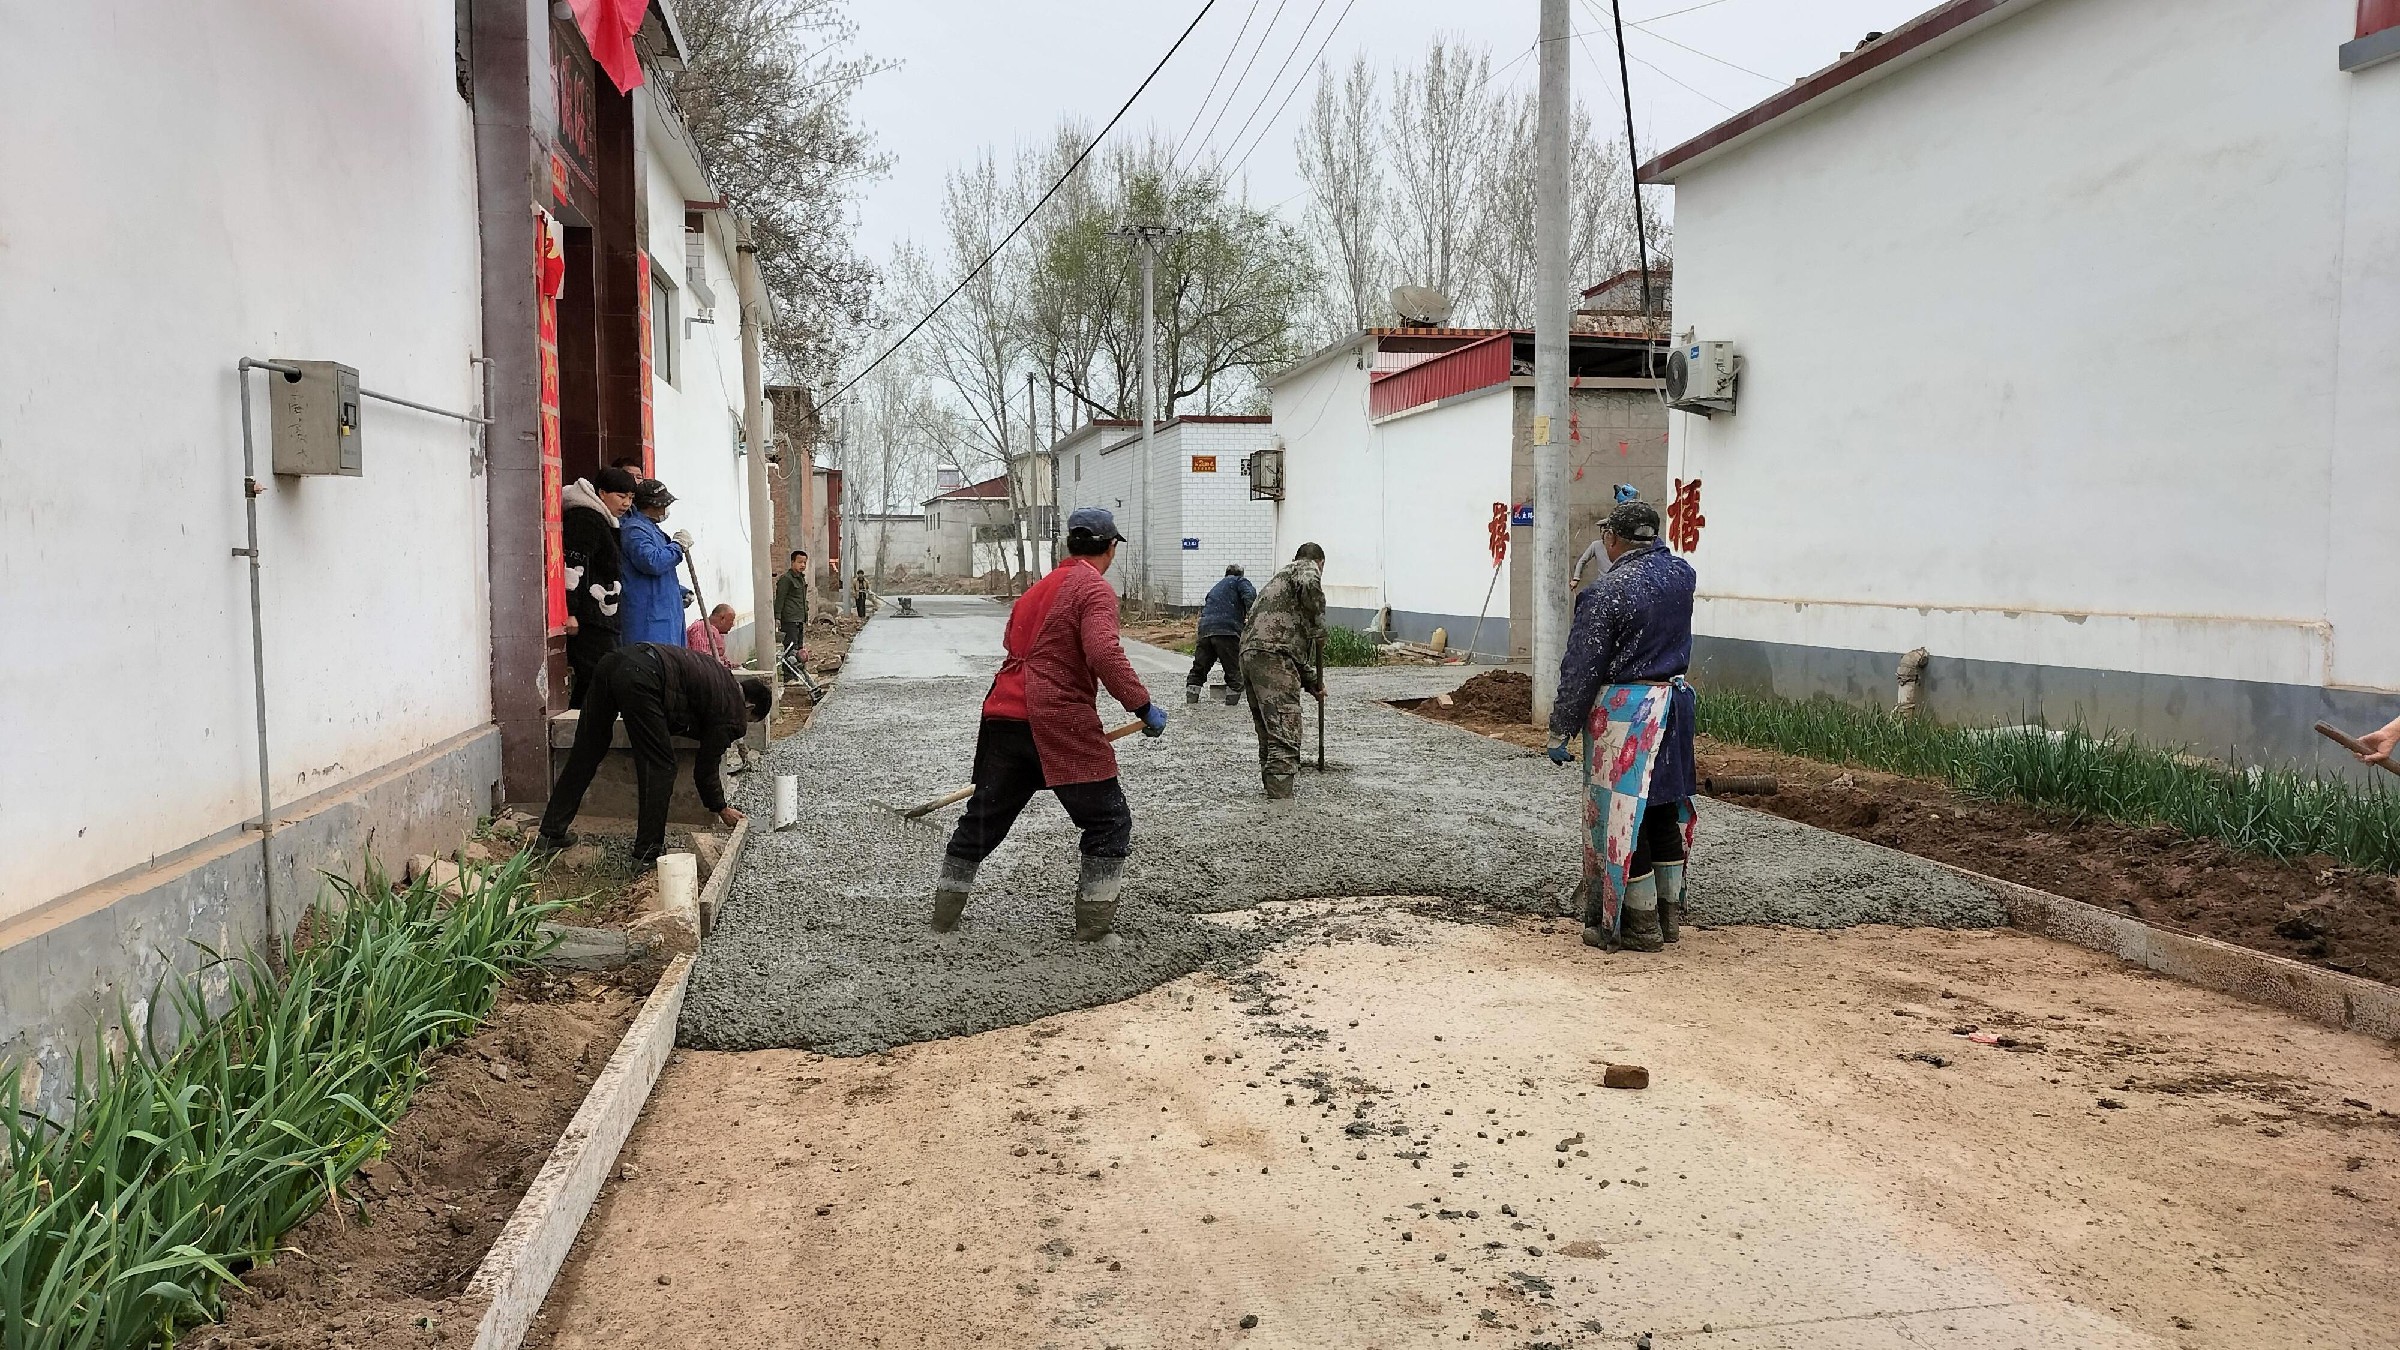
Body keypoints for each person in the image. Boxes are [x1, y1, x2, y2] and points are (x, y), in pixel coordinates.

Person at [929, 506, 1166, 945]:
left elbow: (1014, 646)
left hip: (1003, 715)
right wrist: (1142, 705)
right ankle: (1094, 930)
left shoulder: (1036, 591)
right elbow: (1103, 653)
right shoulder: (1093, 589)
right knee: (1108, 820)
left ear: (1068, 545)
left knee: (983, 820)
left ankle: (943, 921)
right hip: (1056, 721)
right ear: (1110, 549)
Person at [1546, 499, 1698, 954]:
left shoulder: (1607, 591)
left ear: (1612, 540)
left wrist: (1561, 727)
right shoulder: (1682, 576)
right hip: (1674, 706)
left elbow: (1581, 666)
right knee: (1661, 808)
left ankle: (1639, 925)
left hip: (1627, 713)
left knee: (1622, 818)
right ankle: (1669, 922)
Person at [536, 642, 771, 867]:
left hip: (613, 661)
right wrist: (720, 807)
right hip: (643, 676)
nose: (744, 725)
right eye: (750, 720)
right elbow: (706, 767)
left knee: (587, 749)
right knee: (661, 767)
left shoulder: (721, 678)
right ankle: (647, 854)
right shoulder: (731, 711)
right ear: (749, 707)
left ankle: (551, 833)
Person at [1238, 544, 1328, 799]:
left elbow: (1286, 643)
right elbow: (1280, 645)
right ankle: (1280, 805)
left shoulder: (1280, 582)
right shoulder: (1307, 568)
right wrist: (1320, 626)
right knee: (1285, 733)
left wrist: (1312, 682)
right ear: (1321, 562)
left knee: (1269, 731)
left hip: (1250, 654)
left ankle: (1272, 794)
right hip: (1273, 656)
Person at [561, 466, 637, 708]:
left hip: (602, 614)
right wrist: (570, 612)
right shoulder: (585, 518)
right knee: (596, 674)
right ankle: (582, 725)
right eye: (621, 496)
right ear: (602, 493)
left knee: (601, 674)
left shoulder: (603, 518)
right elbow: (573, 568)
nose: (626, 503)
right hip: (589, 617)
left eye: (631, 498)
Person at [620, 479, 691, 646]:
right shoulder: (635, 530)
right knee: (653, 665)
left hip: (663, 614)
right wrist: (677, 546)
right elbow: (652, 562)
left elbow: (660, 576)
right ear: (651, 506)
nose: (666, 510)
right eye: (663, 505)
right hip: (649, 619)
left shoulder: (652, 529)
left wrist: (680, 592)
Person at [1187, 564, 1256, 707]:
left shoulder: (1216, 587)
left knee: (1200, 666)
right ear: (1240, 574)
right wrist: (1254, 617)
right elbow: (1251, 597)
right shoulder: (1239, 581)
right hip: (1227, 630)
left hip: (1205, 629)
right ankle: (1231, 708)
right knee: (1233, 669)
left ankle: (1191, 700)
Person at [776, 550, 811, 663]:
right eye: (800, 562)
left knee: (799, 650)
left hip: (799, 619)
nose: (803, 565)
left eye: (805, 562)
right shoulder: (786, 579)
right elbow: (780, 598)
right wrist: (777, 617)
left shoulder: (801, 579)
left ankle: (798, 674)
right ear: (792, 562)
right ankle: (789, 676)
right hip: (789, 620)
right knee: (790, 650)